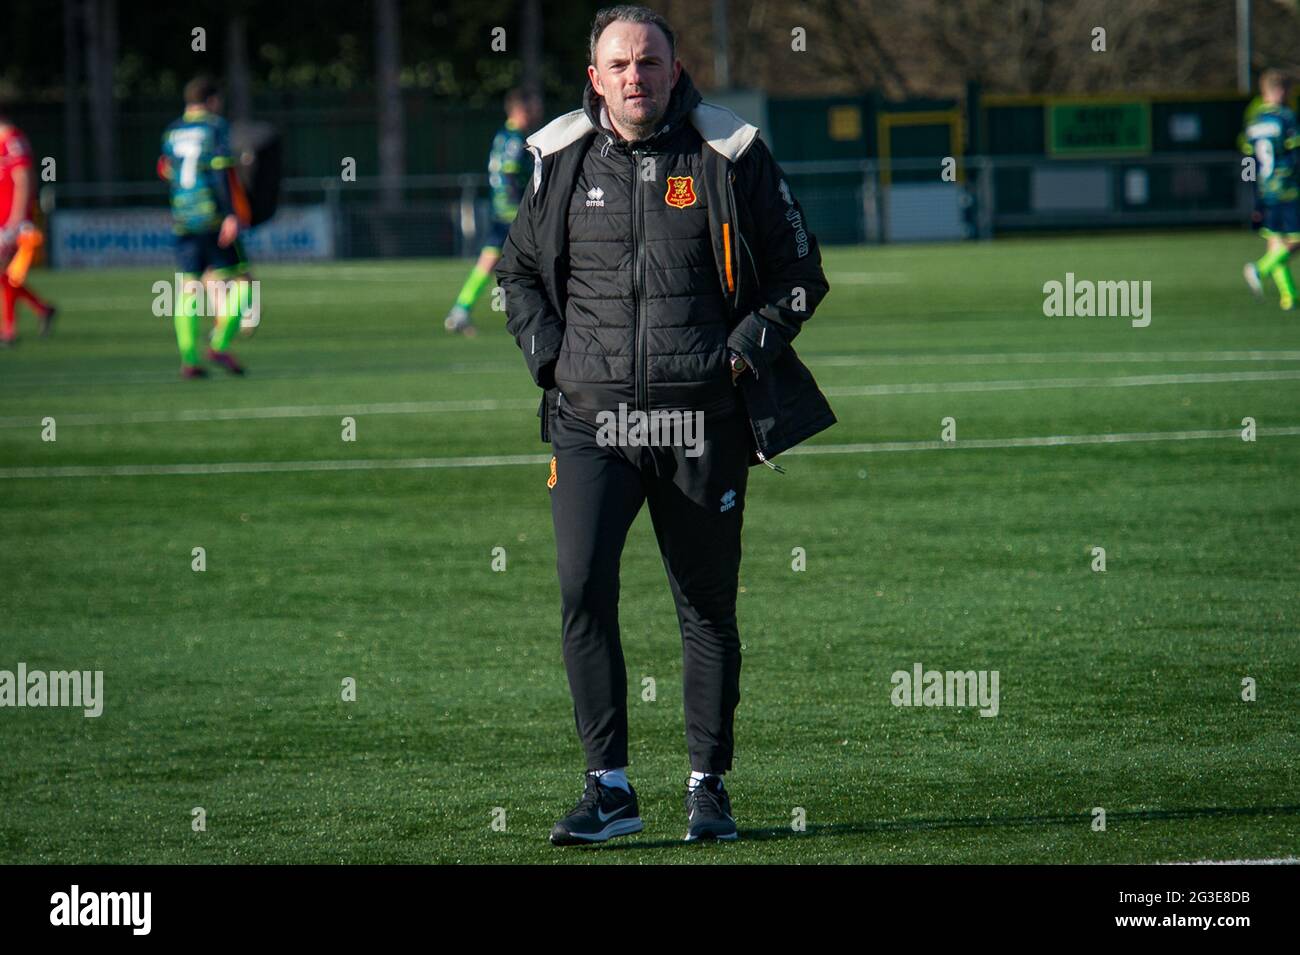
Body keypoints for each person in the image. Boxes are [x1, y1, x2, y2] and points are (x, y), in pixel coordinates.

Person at [496, 4, 835, 845]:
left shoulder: (732, 150)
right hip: (590, 421)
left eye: (650, 62)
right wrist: (554, 361)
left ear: (674, 70)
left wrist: (740, 353)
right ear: (595, 75)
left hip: (699, 424)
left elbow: (802, 273)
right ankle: (608, 788)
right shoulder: (557, 156)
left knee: (706, 607)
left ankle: (707, 786)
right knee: (581, 588)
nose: (635, 77)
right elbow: (518, 276)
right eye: (619, 65)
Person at [158, 75, 254, 377]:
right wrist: (229, 214)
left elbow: (165, 170)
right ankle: (219, 344)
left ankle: (189, 360)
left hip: (182, 217)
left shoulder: (172, 131)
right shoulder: (214, 127)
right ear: (212, 101)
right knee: (243, 282)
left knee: (188, 286)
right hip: (211, 215)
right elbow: (220, 173)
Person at [443, 88, 543, 336]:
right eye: (534, 108)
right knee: (538, 258)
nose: (538, 113)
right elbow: (509, 175)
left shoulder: (503, 135)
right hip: (514, 213)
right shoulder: (514, 139)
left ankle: (461, 310)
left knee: (490, 261)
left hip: (503, 212)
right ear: (522, 110)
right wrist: (523, 207)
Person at [1242, 70, 1300, 310]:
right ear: (1278, 90)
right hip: (1288, 189)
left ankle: (1289, 297)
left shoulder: (1254, 122)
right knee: (1294, 239)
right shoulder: (1286, 118)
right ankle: (1260, 269)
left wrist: (1253, 198)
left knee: (1275, 242)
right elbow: (1296, 155)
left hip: (1266, 191)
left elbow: (1248, 163)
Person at [0, 101, 56, 346]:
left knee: (11, 275)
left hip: (16, 223)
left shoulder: (13, 140)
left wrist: (16, 219)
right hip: (5, 221)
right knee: (8, 276)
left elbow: (24, 179)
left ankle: (10, 331)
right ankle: (41, 308)